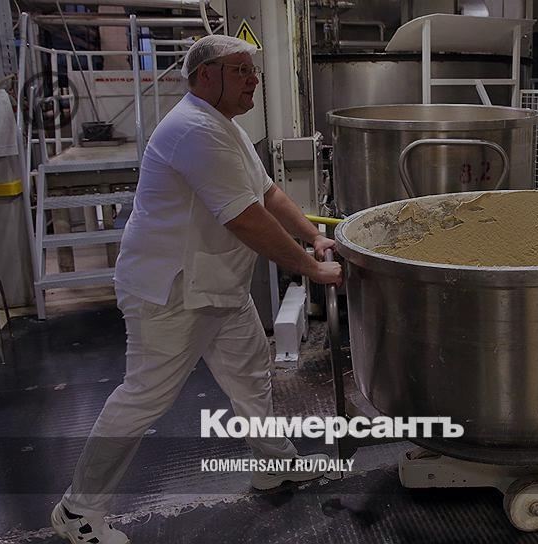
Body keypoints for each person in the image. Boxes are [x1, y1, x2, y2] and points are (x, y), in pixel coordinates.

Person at [50, 35, 342, 544]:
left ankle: (272, 463)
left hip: (216, 285)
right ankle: (77, 510)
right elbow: (245, 218)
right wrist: (310, 270)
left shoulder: (224, 126)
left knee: (250, 375)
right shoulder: (194, 130)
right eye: (241, 70)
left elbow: (268, 194)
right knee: (144, 397)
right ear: (207, 75)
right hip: (171, 292)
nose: (253, 79)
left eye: (253, 70)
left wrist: (313, 236)